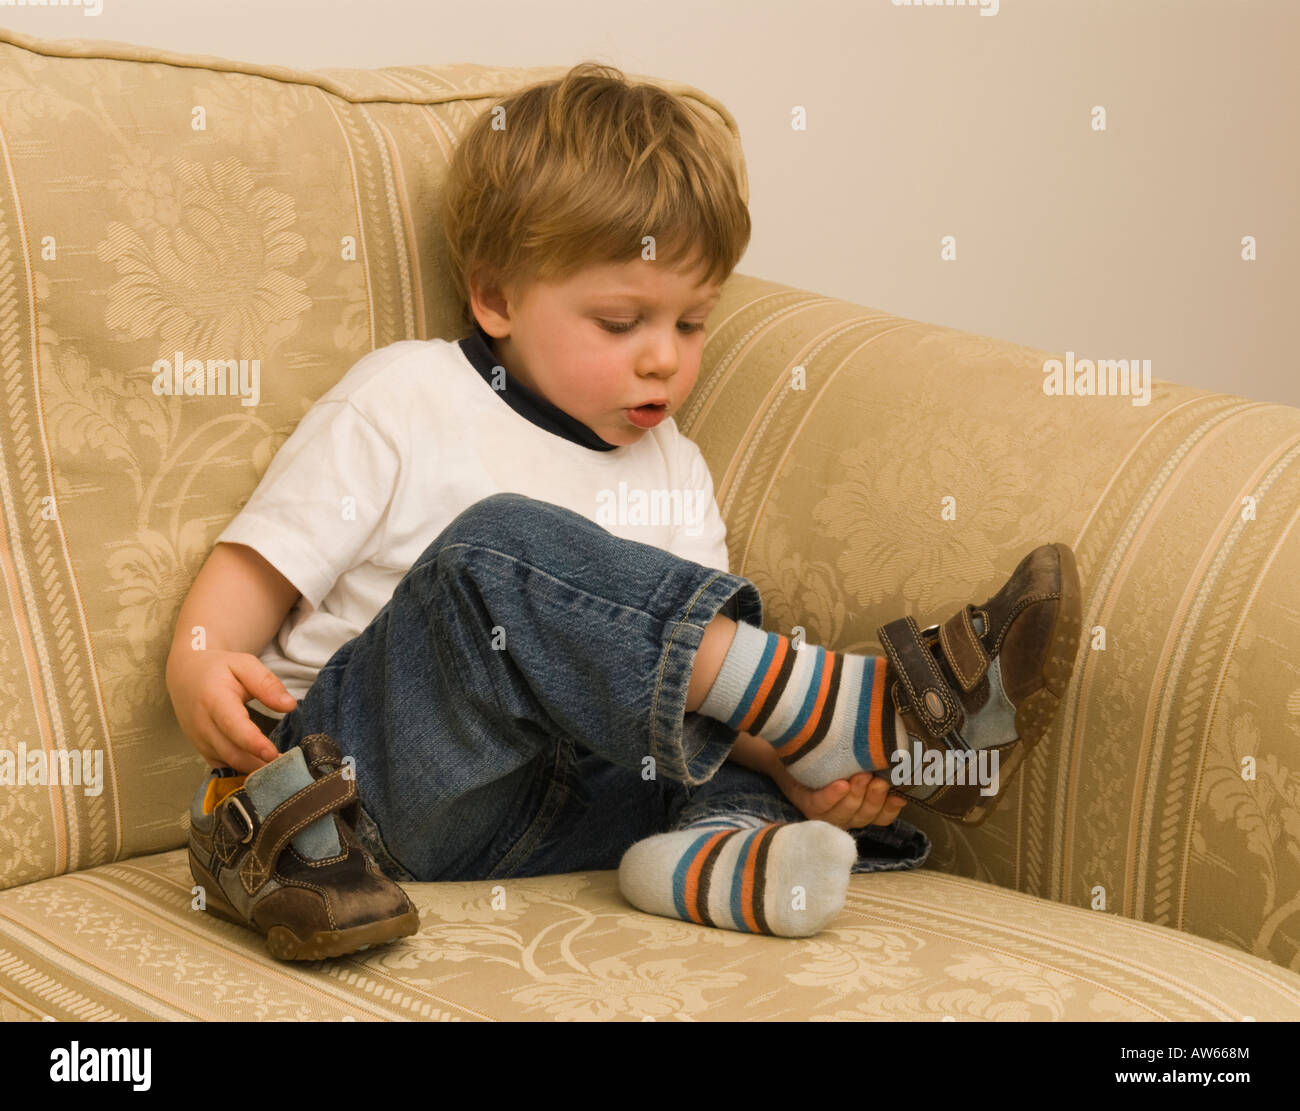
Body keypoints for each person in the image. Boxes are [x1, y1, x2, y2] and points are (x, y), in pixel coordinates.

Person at [168, 62, 1080, 954]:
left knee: (703, 734)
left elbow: (704, 690)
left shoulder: (674, 466)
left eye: (690, 324)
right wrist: (198, 669)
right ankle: (851, 706)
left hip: (558, 820)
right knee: (497, 547)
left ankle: (710, 853)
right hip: (357, 803)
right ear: (496, 296)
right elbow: (247, 578)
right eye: (620, 323)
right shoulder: (405, 397)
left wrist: (797, 770)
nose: (664, 361)